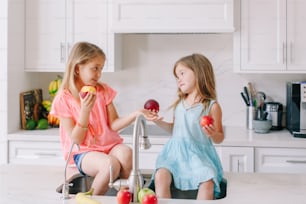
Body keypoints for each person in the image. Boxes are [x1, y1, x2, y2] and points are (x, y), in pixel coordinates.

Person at [50, 42, 156, 195]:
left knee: (126, 153)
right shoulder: (64, 99)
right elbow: (76, 140)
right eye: (95, 68)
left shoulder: (103, 90)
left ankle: (127, 196)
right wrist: (85, 111)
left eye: (101, 69)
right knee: (110, 165)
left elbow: (113, 125)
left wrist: (135, 114)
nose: (99, 74)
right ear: (78, 68)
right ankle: (91, 199)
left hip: (109, 146)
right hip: (83, 153)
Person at [149, 53, 224, 200]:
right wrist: (158, 122)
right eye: (177, 76)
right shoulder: (180, 104)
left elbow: (219, 138)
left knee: (208, 181)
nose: (179, 79)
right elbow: (174, 129)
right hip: (174, 154)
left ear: (199, 72)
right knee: (161, 175)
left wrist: (213, 133)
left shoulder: (211, 106)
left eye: (182, 73)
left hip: (198, 156)